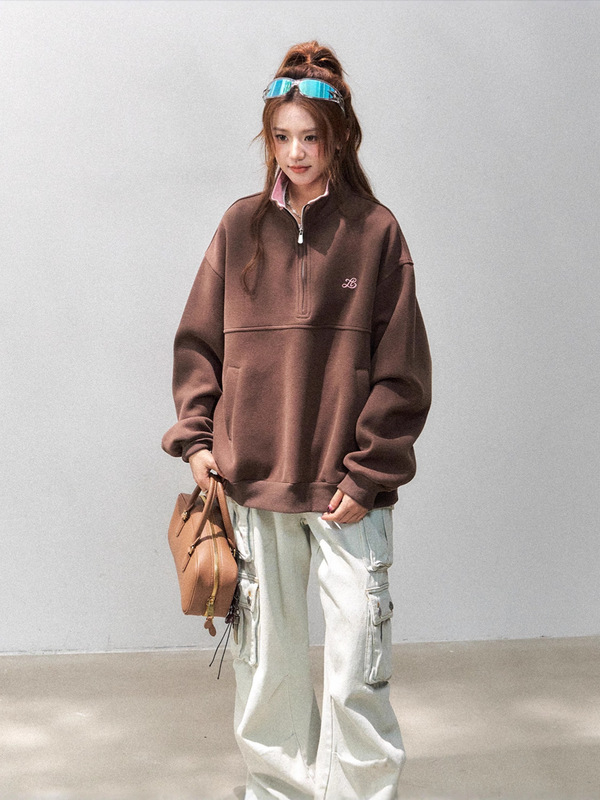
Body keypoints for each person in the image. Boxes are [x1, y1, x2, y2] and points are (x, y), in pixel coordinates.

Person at [162, 40, 432, 800]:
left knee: (357, 673)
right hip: (253, 482)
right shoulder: (240, 227)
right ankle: (278, 793)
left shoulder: (376, 233)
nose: (296, 153)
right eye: (281, 137)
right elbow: (197, 344)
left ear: (338, 138)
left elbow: (403, 370)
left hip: (347, 491)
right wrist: (197, 440)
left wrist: (369, 473)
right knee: (267, 674)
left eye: (310, 137)